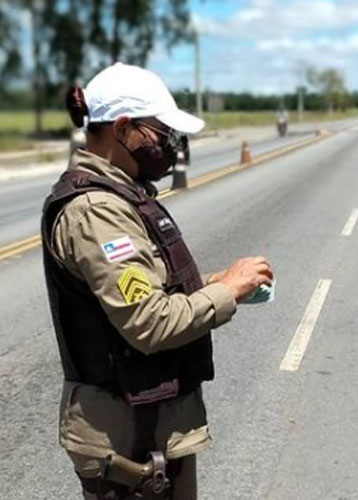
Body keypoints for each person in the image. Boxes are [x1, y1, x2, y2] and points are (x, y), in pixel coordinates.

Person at [40, 63, 273, 499]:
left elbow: (146, 289)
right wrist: (227, 292)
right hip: (128, 448)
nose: (170, 145)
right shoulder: (96, 210)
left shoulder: (121, 195)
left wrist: (214, 282)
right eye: (161, 132)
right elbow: (148, 322)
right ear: (123, 129)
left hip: (148, 435)